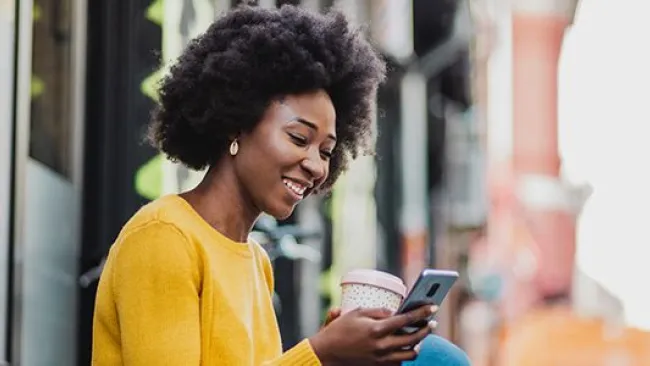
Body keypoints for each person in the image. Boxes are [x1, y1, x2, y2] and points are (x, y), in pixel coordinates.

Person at [92, 4, 470, 365]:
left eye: (326, 151)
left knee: (433, 356)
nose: (315, 165)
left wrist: (337, 357)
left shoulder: (256, 262)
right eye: (298, 138)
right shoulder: (164, 237)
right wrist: (321, 354)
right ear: (235, 123)